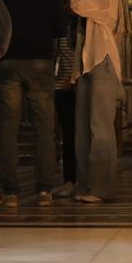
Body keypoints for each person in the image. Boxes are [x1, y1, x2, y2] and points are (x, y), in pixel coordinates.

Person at [0, 0, 68, 207]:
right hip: (39, 61)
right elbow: (61, 27)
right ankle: (44, 190)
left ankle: (11, 191)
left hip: (7, 60)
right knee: (44, 128)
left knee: (8, 128)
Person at [67, 0, 126, 203]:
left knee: (100, 128)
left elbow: (78, 5)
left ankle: (102, 188)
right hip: (85, 67)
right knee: (81, 131)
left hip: (103, 63)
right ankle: (85, 184)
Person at [52, 13, 80, 200]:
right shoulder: (61, 30)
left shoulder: (85, 28)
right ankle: (69, 179)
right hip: (62, 87)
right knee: (67, 136)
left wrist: (74, 79)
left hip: (80, 86)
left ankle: (83, 179)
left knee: (83, 135)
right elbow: (54, 56)